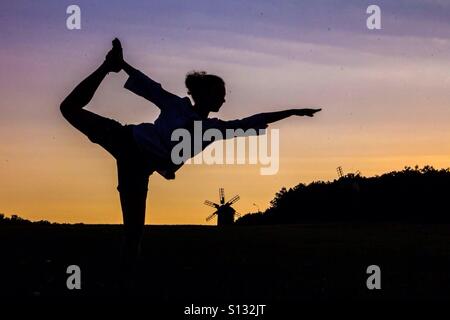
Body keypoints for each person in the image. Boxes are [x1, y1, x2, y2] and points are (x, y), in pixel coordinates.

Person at [60, 38, 321, 281]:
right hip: (126, 139)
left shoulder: (213, 129)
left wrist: (292, 112)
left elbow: (253, 120)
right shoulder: (176, 105)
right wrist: (118, 64)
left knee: (134, 232)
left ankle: (126, 282)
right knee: (68, 108)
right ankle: (106, 66)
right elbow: (149, 86)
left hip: (139, 168)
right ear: (204, 94)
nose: (224, 97)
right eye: (220, 92)